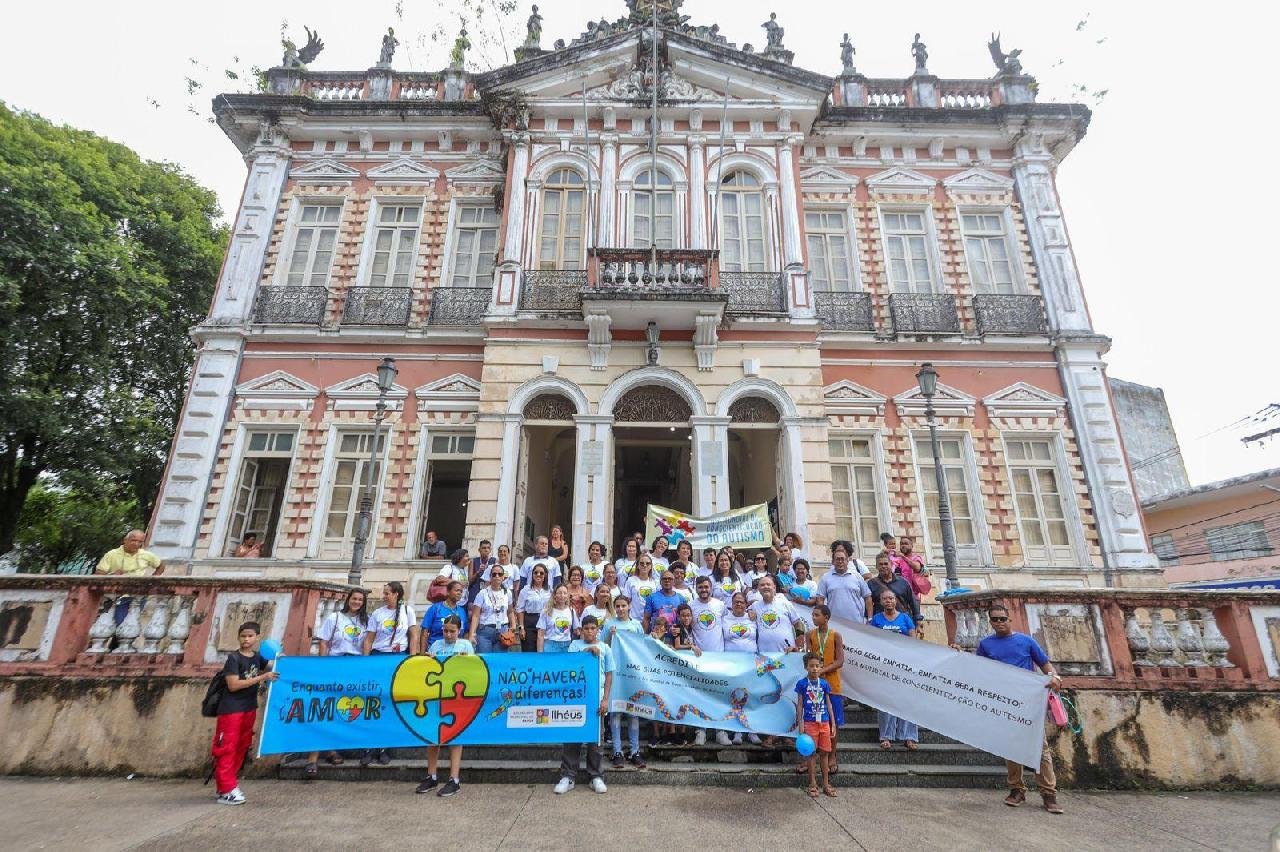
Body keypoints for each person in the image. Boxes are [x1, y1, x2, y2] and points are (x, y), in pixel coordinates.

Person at [969, 604, 1065, 815]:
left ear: (1009, 619)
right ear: (990, 622)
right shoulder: (986, 645)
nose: (1000, 623)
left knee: (1040, 749)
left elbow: (1045, 665)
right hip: (1004, 702)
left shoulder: (1026, 641)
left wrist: (1055, 677)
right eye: (995, 620)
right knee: (1011, 747)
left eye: (1003, 619)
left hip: (1030, 702)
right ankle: (1017, 789)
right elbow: (979, 670)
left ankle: (1049, 794)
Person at [211, 621, 278, 805]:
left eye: (250, 636)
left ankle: (229, 785)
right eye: (243, 636)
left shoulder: (257, 658)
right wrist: (262, 677)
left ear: (257, 638)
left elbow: (273, 664)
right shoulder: (234, 659)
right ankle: (226, 789)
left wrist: (283, 658)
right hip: (231, 709)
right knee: (227, 748)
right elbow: (233, 685)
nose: (246, 639)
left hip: (249, 708)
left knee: (242, 746)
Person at [305, 588, 367, 776]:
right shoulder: (334, 618)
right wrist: (324, 665)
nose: (356, 602)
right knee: (326, 707)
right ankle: (312, 758)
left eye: (360, 600)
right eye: (354, 598)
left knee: (343, 709)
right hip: (335, 663)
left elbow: (367, 643)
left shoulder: (366, 621)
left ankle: (332, 749)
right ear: (348, 600)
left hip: (354, 666)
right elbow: (324, 642)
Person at [554, 615, 614, 795]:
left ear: (598, 630)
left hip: (596, 699)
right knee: (572, 737)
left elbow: (609, 675)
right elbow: (571, 665)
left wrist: (605, 699)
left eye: (592, 628)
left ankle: (595, 776)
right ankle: (568, 775)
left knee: (596, 740)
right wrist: (588, 651)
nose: (589, 631)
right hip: (576, 698)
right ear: (581, 630)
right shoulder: (574, 646)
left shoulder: (605, 648)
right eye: (586, 628)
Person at [415, 615, 473, 797]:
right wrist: (428, 659)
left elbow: (474, 670)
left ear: (459, 631)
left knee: (455, 737)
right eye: (445, 631)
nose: (448, 634)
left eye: (452, 631)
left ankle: (454, 779)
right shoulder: (436, 646)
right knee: (434, 736)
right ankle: (431, 775)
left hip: (457, 697)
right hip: (436, 695)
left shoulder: (466, 646)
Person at [362, 581, 416, 766]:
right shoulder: (378, 613)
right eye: (384, 593)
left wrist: (413, 660)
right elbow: (369, 639)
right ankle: (370, 746)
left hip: (398, 658)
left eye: (387, 593)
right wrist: (365, 661)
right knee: (374, 701)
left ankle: (385, 747)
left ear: (397, 594)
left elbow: (413, 636)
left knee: (391, 702)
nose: (384, 596)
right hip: (378, 657)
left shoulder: (407, 611)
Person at [869, 591, 919, 751]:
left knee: (908, 700)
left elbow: (914, 641)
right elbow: (870, 641)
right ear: (881, 602)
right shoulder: (876, 619)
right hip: (884, 666)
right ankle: (886, 736)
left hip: (904, 665)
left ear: (895, 601)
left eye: (891, 598)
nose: (888, 601)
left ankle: (909, 737)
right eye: (885, 599)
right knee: (885, 701)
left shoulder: (905, 618)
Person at [600, 596, 646, 769]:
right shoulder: (608, 625)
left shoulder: (636, 625)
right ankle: (617, 751)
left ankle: (635, 751)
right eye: (617, 606)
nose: (620, 609)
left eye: (623, 606)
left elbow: (643, 647)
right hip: (614, 673)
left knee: (633, 713)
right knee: (615, 712)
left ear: (629, 606)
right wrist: (611, 637)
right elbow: (603, 645)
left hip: (632, 673)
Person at [804, 604, 845, 777]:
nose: (813, 618)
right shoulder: (809, 635)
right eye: (813, 615)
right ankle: (810, 758)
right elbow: (806, 656)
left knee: (832, 722)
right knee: (812, 722)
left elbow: (840, 660)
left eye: (817, 615)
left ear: (826, 617)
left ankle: (832, 755)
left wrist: (823, 670)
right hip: (814, 685)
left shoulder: (835, 635)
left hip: (832, 685)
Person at [689, 577, 726, 746]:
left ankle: (720, 730)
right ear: (696, 588)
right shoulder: (691, 605)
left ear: (711, 588)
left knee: (718, 694)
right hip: (699, 658)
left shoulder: (720, 605)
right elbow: (686, 628)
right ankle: (700, 730)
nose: (703, 590)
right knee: (700, 694)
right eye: (700, 587)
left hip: (718, 656)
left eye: (706, 587)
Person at [795, 652, 837, 799]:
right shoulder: (802, 683)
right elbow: (800, 706)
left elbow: (829, 704)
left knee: (825, 753)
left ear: (820, 667)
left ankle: (826, 783)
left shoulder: (824, 683)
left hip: (824, 722)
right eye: (811, 666)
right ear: (806, 667)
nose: (814, 669)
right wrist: (800, 724)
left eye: (817, 666)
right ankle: (812, 783)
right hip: (809, 723)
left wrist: (833, 723)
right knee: (811, 755)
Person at [721, 591, 758, 746]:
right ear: (731, 603)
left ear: (746, 604)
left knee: (750, 697)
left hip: (750, 663)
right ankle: (737, 731)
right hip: (731, 664)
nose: (739, 604)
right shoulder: (724, 619)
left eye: (742, 602)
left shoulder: (753, 618)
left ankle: (752, 731)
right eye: (736, 601)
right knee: (736, 697)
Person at [810, 542, 873, 625]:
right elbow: (820, 600)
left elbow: (867, 598)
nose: (840, 561)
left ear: (847, 561)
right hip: (834, 624)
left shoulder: (857, 576)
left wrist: (870, 618)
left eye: (842, 559)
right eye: (837, 559)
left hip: (857, 624)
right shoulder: (826, 577)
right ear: (833, 562)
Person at [867, 552, 924, 638]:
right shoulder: (871, 584)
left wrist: (918, 620)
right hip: (880, 625)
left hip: (903, 624)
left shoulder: (903, 582)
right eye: (880, 564)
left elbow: (913, 601)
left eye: (886, 564)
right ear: (876, 567)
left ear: (891, 564)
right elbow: (867, 604)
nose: (883, 566)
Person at [467, 565, 515, 653]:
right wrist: (471, 634)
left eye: (500, 574)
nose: (497, 576)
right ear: (490, 577)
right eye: (494, 574)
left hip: (502, 631)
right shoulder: (482, 593)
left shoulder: (507, 593)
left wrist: (513, 626)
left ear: (503, 577)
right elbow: (476, 615)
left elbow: (510, 611)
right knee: (485, 661)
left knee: (499, 662)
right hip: (485, 631)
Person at [421, 580, 468, 650]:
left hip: (456, 652)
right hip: (435, 651)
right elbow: (424, 632)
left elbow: (465, 633)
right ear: (448, 592)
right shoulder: (435, 608)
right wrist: (422, 654)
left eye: (461, 591)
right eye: (457, 590)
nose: (459, 593)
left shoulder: (462, 611)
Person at [516, 563, 552, 652]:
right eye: (536, 572)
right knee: (529, 651)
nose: (538, 575)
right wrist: (521, 628)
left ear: (545, 575)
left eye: (541, 573)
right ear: (532, 575)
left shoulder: (550, 590)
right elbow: (520, 610)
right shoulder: (525, 590)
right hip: (529, 623)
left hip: (545, 622)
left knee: (543, 651)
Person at [97, 529, 165, 576]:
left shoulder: (146, 554)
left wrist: (153, 580)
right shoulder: (111, 554)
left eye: (140, 542)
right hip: (114, 591)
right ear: (125, 540)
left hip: (138, 592)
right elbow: (99, 574)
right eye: (133, 540)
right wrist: (112, 576)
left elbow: (161, 566)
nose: (136, 544)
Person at [537, 584, 578, 652]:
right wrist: (540, 654)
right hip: (550, 646)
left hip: (567, 646)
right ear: (555, 595)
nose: (562, 595)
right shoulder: (546, 611)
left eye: (565, 593)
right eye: (559, 593)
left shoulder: (571, 611)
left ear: (567, 596)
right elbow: (540, 634)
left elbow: (577, 630)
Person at [643, 571, 685, 636]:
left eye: (670, 579)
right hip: (657, 638)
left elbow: (684, 620)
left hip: (675, 639)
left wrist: (681, 631)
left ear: (674, 582)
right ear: (660, 582)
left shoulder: (681, 598)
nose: (667, 580)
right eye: (664, 579)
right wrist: (645, 636)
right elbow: (646, 619)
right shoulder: (651, 597)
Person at [624, 554, 659, 620]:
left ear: (651, 566)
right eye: (642, 563)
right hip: (634, 619)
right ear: (638, 566)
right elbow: (626, 601)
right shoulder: (631, 580)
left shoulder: (655, 582)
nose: (645, 565)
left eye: (648, 563)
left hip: (650, 620)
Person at [467, 539, 496, 604]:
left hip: (489, 591)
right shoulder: (473, 561)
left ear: (490, 550)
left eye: (488, 548)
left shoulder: (494, 561)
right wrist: (478, 572)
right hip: (475, 590)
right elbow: (469, 581)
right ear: (479, 550)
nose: (486, 550)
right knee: (472, 611)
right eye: (484, 548)